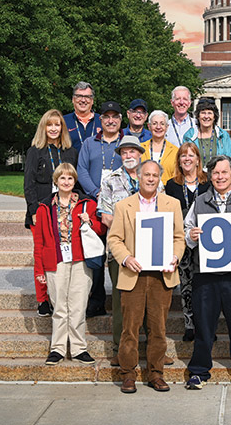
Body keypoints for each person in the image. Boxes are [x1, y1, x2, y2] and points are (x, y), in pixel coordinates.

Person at [183, 156, 231, 390]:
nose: (220, 177)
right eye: (215, 173)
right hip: (206, 275)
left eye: (224, 172)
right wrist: (192, 236)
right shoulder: (199, 202)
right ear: (209, 176)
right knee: (204, 326)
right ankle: (198, 371)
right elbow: (187, 232)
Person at [107, 160, 185, 393]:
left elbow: (179, 238)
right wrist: (125, 258)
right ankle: (128, 374)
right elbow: (114, 239)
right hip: (134, 274)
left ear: (159, 178)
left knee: (158, 328)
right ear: (138, 177)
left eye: (154, 175)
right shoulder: (124, 206)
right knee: (130, 329)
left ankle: (156, 373)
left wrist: (175, 257)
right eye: (146, 175)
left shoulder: (173, 204)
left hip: (162, 275)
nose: (150, 179)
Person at [32, 163, 105, 366]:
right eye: (62, 178)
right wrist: (39, 270)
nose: (66, 182)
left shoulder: (86, 204)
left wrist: (88, 221)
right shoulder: (45, 207)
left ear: (75, 181)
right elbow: (38, 242)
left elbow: (101, 228)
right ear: (56, 181)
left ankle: (79, 348)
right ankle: (57, 348)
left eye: (70, 178)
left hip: (81, 260)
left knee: (78, 305)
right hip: (55, 261)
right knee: (59, 306)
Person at [24, 109, 78, 317]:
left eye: (57, 125)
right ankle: (42, 299)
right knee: (41, 255)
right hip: (42, 210)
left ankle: (60, 295)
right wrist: (33, 209)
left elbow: (75, 181)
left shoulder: (69, 152)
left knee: (62, 255)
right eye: (49, 125)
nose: (53, 129)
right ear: (43, 127)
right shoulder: (35, 151)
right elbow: (28, 183)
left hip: (65, 210)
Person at [96, 134, 145, 364]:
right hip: (120, 251)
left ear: (139, 154)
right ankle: (120, 349)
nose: (128, 155)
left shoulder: (152, 177)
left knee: (148, 300)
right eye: (124, 152)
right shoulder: (110, 180)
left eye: (132, 151)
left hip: (148, 249)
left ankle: (150, 348)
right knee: (121, 300)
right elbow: (106, 216)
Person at [77, 100, 124, 320]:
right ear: (101, 120)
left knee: (119, 254)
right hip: (94, 204)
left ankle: (120, 299)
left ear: (120, 120)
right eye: (107, 117)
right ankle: (95, 300)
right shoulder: (89, 143)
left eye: (115, 117)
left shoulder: (127, 143)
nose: (111, 120)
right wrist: (97, 192)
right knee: (95, 254)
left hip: (121, 207)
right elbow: (82, 170)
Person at [164, 142, 210, 342]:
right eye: (183, 156)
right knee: (186, 284)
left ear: (198, 160)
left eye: (191, 155)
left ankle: (207, 326)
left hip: (206, 240)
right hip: (182, 239)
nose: (187, 159)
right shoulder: (172, 185)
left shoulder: (208, 182)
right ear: (179, 161)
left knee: (206, 286)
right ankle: (189, 324)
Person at [182, 97, 231, 166]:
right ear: (198, 116)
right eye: (203, 113)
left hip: (218, 175)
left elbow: (230, 161)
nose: (206, 116)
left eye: (209, 113)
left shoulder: (224, 136)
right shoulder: (189, 136)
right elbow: (185, 161)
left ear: (214, 116)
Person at [63, 81, 101, 154]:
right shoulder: (63, 121)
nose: (83, 100)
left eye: (87, 97)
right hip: (71, 165)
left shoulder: (102, 121)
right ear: (73, 100)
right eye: (79, 96)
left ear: (92, 101)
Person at [142, 110, 178, 184]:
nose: (158, 127)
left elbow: (176, 176)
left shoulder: (175, 151)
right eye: (154, 123)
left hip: (167, 192)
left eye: (162, 124)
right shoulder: (140, 148)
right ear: (149, 126)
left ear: (167, 127)